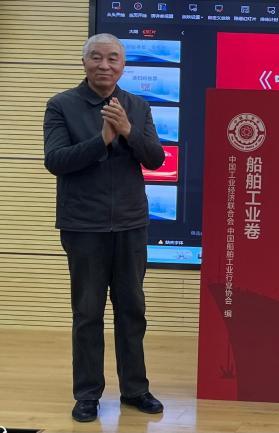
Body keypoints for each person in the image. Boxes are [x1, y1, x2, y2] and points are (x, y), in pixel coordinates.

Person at [43, 33, 165, 422]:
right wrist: (101, 141)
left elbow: (157, 159)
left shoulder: (137, 106)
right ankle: (87, 394)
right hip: (84, 226)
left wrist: (128, 131)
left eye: (113, 58)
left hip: (131, 224)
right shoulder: (61, 105)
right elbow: (56, 160)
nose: (105, 65)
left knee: (132, 310)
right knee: (88, 313)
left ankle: (135, 389)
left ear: (123, 65)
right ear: (85, 62)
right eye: (96, 57)